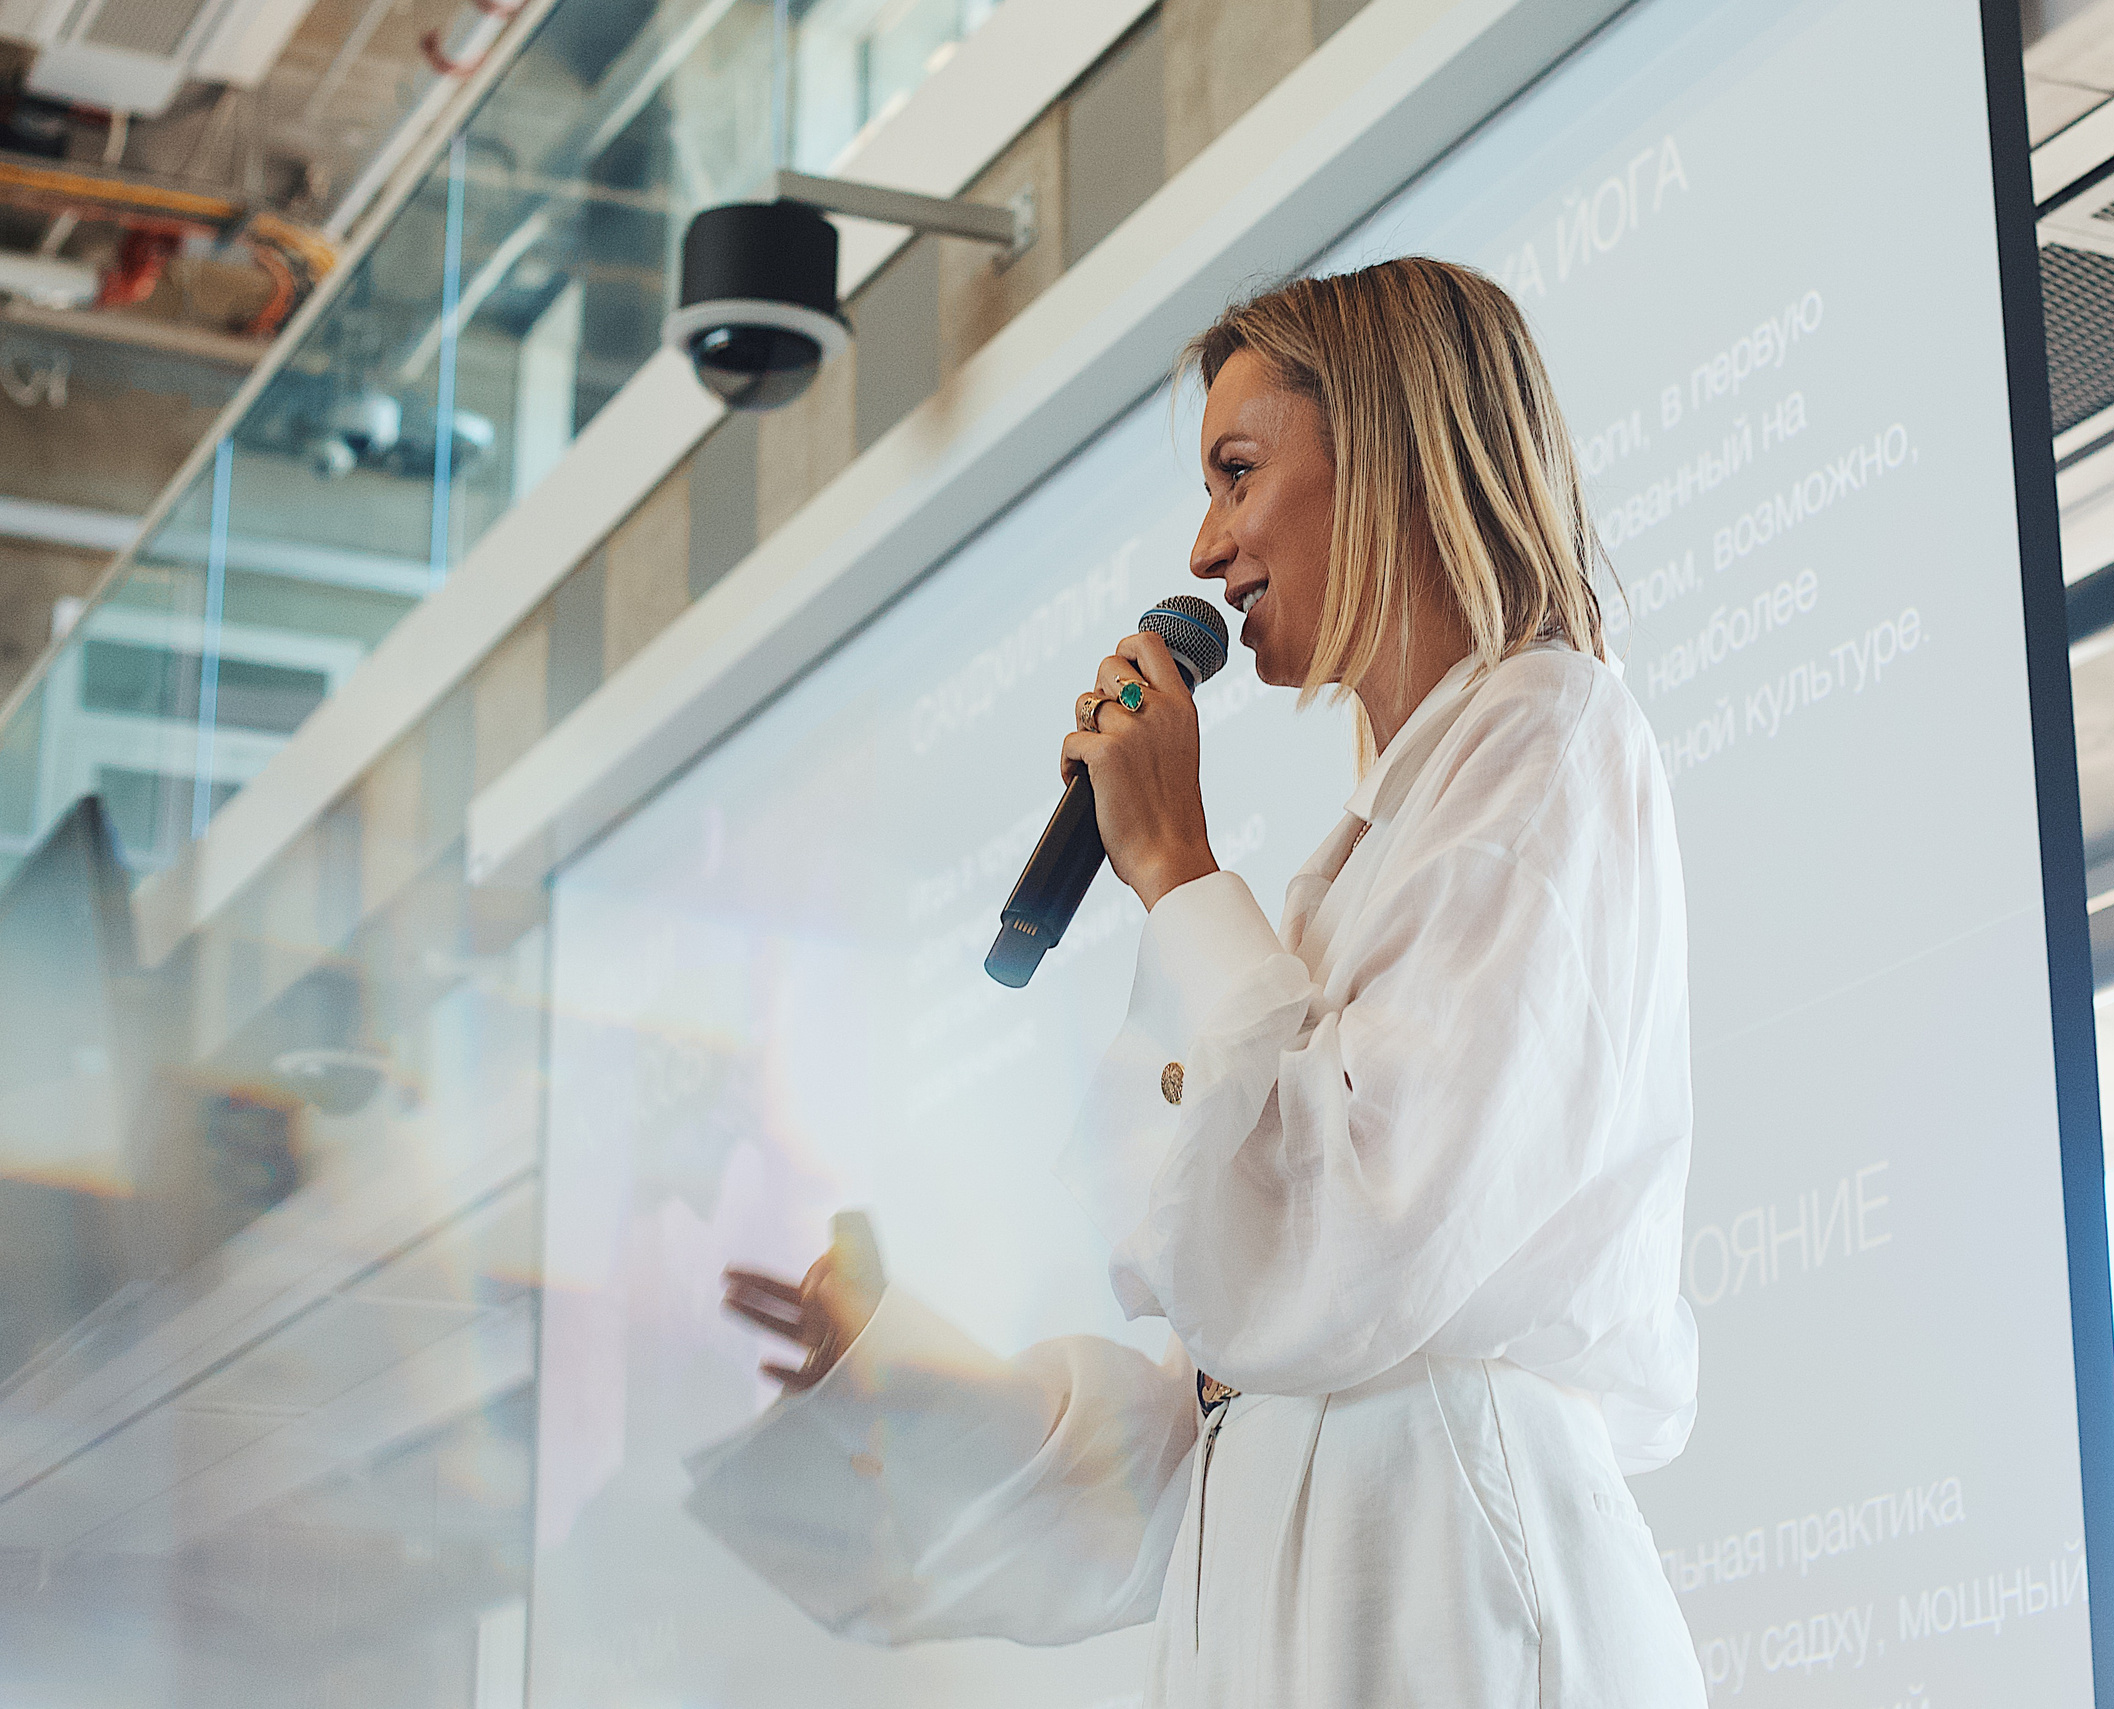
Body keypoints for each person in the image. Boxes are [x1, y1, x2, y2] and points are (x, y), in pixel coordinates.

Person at [688, 257, 1706, 1706]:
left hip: (1449, 1599)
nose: (1206, 542)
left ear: (1396, 452)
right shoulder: (1344, 875)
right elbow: (1214, 1400)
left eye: (1239, 472)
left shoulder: (1553, 737)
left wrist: (1175, 865)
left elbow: (1358, 1234)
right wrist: (903, 1380)